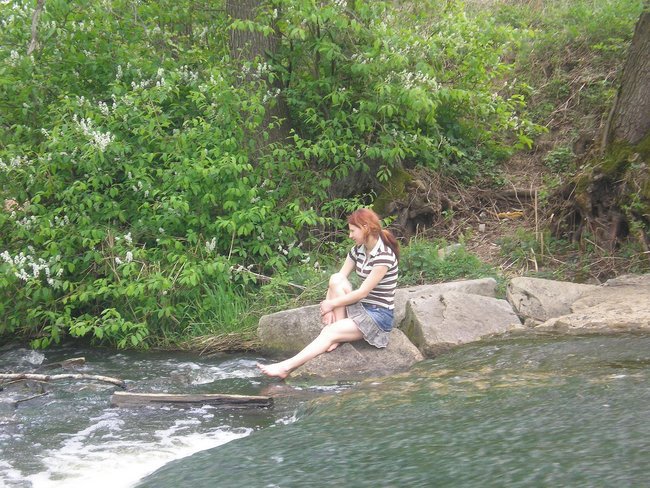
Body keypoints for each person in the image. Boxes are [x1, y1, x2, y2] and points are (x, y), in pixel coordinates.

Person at [257, 208, 399, 379]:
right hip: (362, 308)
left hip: (378, 316)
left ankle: (285, 367)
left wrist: (331, 304)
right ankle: (339, 335)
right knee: (336, 278)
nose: (350, 236)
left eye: (352, 231)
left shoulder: (384, 256)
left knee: (328, 332)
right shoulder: (358, 250)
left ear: (365, 228)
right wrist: (328, 305)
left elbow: (362, 292)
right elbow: (337, 279)